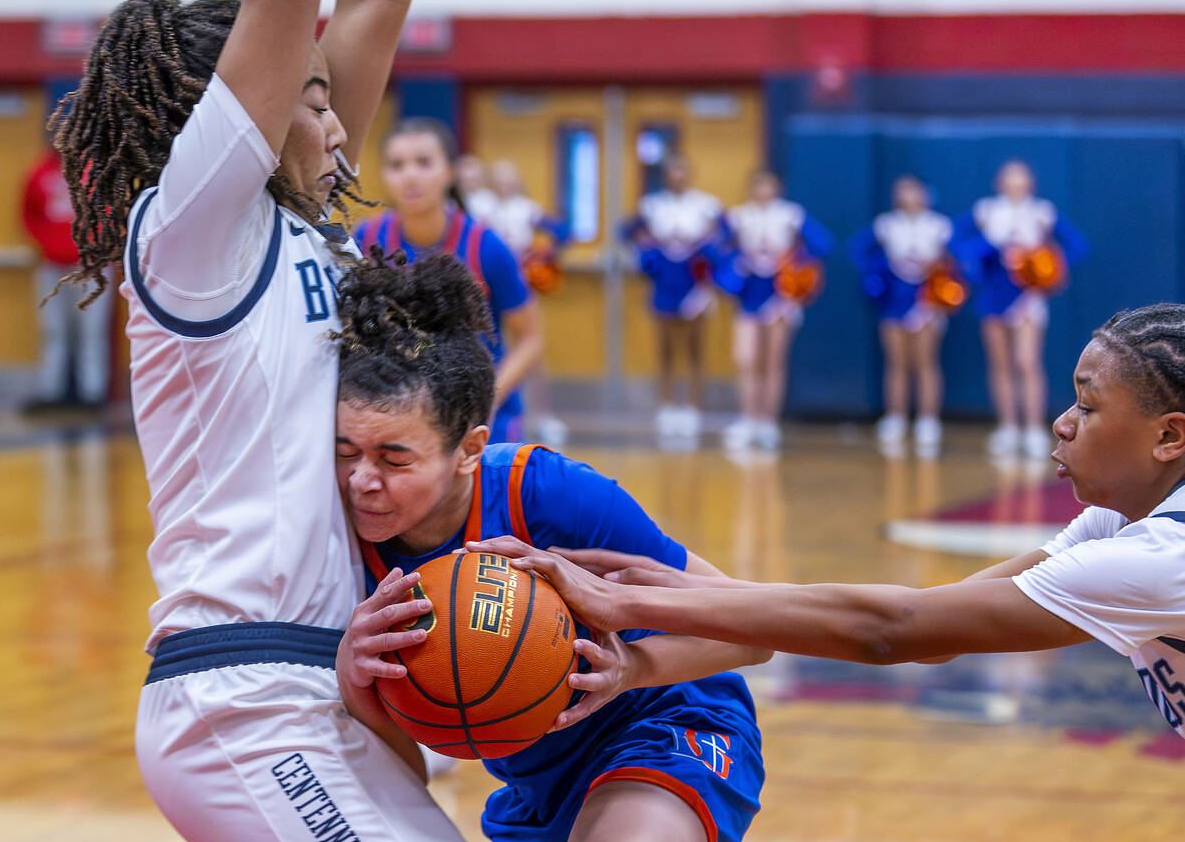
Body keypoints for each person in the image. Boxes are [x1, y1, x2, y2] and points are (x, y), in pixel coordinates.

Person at [50, 0, 529, 842]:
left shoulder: (310, 226)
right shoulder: (192, 236)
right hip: (248, 701)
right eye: (311, 99)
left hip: (334, 690)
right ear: (241, 120)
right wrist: (290, 30)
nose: (340, 123)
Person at [469, 303, 1185, 741]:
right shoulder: (1118, 524)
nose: (1062, 424)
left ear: (1168, 436)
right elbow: (935, 627)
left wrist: (624, 603)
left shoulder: (1162, 554)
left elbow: (894, 631)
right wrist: (691, 596)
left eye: (1087, 408)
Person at [333, 249, 766, 842]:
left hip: (667, 723)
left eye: (393, 457)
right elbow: (406, 779)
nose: (361, 480)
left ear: (469, 449)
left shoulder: (546, 494)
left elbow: (752, 630)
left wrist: (635, 666)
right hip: (539, 787)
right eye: (345, 450)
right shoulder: (337, 542)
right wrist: (356, 676)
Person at [355, 121, 542, 443]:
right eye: (397, 165)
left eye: (424, 162)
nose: (410, 175)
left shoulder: (487, 247)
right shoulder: (366, 239)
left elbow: (530, 339)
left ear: (450, 172)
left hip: (480, 419)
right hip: (397, 412)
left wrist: (488, 398)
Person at [956, 160, 1088, 460]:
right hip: (993, 295)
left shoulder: (1041, 212)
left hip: (1028, 296)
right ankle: (1008, 427)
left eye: (1021, 178)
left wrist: (1050, 267)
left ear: (1030, 182)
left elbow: (1077, 246)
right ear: (999, 181)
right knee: (1000, 363)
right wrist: (986, 248)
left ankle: (1032, 428)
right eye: (1009, 177)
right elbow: (958, 244)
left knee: (1027, 361)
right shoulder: (986, 211)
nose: (1015, 183)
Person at [720, 168, 833, 452]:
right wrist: (736, 264)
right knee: (746, 359)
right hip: (749, 294)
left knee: (773, 360)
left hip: (780, 294)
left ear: (778, 188)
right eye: (759, 185)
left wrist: (795, 261)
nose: (764, 191)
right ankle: (748, 420)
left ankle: (768, 423)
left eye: (769, 185)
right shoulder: (739, 216)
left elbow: (823, 243)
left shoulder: (790, 215)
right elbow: (717, 249)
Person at [851, 176, 961, 459]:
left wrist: (940, 277)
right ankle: (896, 416)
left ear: (925, 194)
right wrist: (879, 274)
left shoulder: (939, 226)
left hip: (926, 300)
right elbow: (857, 249)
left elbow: (958, 260)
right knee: (897, 362)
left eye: (915, 191)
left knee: (926, 361)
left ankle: (928, 419)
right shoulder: (887, 224)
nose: (910, 196)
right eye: (904, 191)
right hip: (894, 301)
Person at [622, 155, 724, 449]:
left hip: (694, 284)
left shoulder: (705, 205)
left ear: (690, 174)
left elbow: (727, 234)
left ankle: (693, 407)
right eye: (673, 172)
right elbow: (626, 230)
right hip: (666, 282)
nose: (677, 177)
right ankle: (666, 405)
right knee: (665, 347)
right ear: (666, 176)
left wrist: (707, 245)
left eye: (682, 171)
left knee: (695, 347)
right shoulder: (653, 206)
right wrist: (647, 245)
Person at [488, 158, 572, 446]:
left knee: (531, 349)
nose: (504, 183)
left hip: (522, 286)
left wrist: (543, 257)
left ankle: (542, 415)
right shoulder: (486, 210)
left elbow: (561, 232)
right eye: (498, 178)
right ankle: (501, 411)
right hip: (490, 289)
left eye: (508, 177)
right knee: (498, 348)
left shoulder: (527, 209)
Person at [21, 146, 112, 410]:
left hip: (90, 263)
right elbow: (29, 214)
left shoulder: (95, 169)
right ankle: (51, 390)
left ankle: (92, 392)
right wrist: (45, 244)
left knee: (92, 330)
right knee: (52, 329)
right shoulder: (39, 172)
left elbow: (109, 210)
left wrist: (97, 246)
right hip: (51, 265)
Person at [455, 152, 498, 224]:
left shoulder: (489, 198)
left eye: (473, 179)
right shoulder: (455, 198)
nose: (470, 176)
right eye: (466, 179)